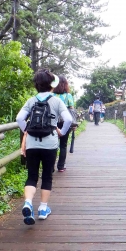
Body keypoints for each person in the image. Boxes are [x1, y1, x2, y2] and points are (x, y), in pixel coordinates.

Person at [16, 69, 72, 225]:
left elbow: (19, 118)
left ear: (36, 85)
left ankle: (28, 202)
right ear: (52, 85)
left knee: (32, 176)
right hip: (50, 143)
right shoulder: (57, 101)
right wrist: (61, 133)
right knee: (47, 176)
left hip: (32, 143)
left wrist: (26, 131)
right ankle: (42, 208)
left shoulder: (31, 100)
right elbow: (67, 119)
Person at [52, 75, 75, 172]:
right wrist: (73, 124)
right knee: (63, 145)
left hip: (53, 122)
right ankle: (61, 166)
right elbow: (72, 110)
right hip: (66, 122)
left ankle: (51, 167)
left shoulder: (51, 95)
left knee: (53, 144)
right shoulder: (68, 96)